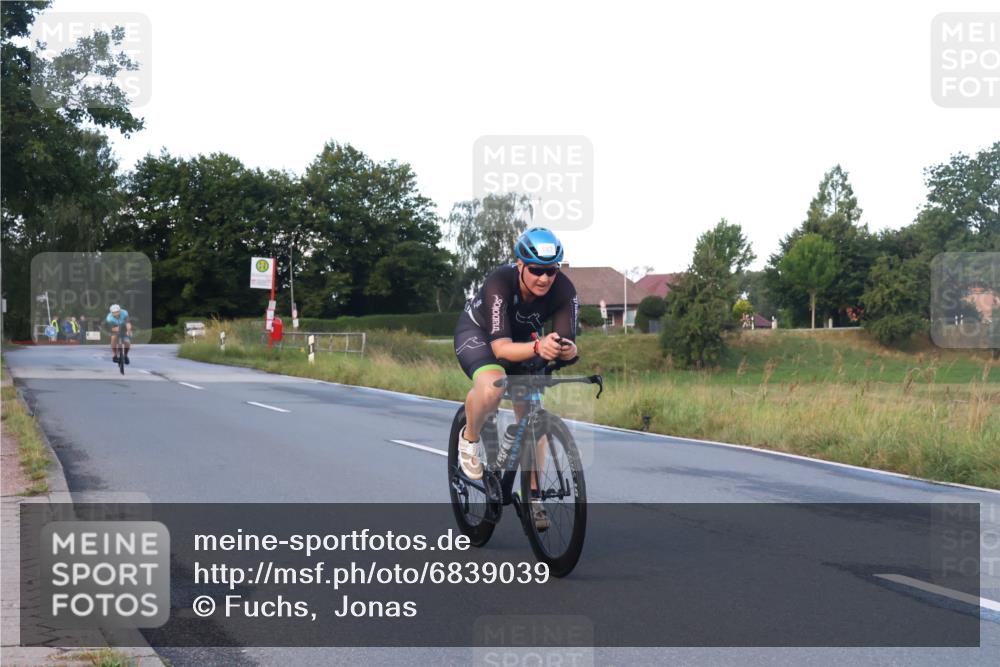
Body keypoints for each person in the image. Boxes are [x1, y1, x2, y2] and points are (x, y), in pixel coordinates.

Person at [453, 227, 579, 531]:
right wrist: (538, 346)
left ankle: (532, 495)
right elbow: (500, 349)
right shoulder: (499, 282)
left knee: (533, 413)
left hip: (523, 342)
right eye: (536, 270)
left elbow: (567, 343)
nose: (544, 278)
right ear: (520, 265)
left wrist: (566, 350)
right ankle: (469, 439)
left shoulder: (564, 290)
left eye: (551, 271)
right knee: (493, 386)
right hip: (480, 335)